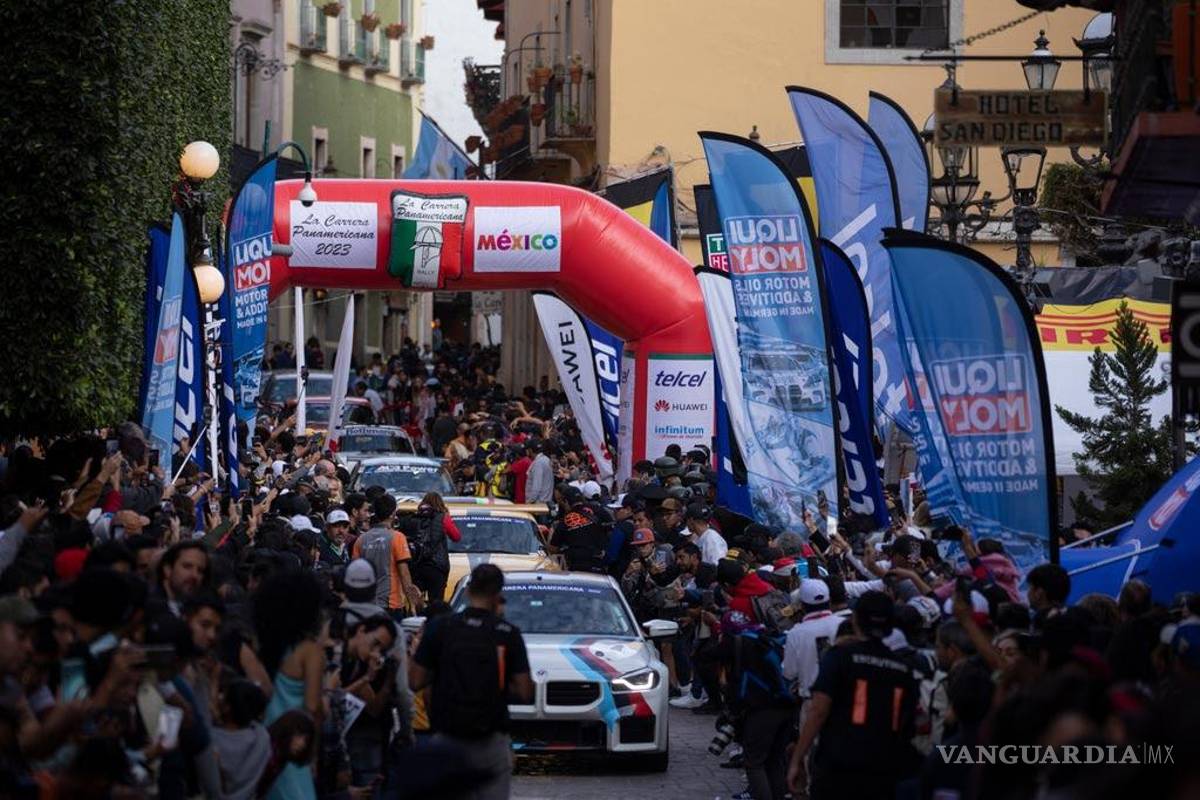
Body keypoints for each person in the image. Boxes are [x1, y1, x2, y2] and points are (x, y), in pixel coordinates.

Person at [409, 565, 533, 800]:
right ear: (498, 596)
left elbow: (415, 680)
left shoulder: (440, 628)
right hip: (491, 738)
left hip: (447, 737)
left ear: (467, 592)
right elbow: (525, 691)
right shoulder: (507, 633)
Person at [787, 591, 919, 799]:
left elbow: (819, 710)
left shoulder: (840, 656)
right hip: (883, 769)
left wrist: (797, 759)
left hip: (839, 764)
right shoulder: (903, 668)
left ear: (856, 620)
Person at [253, 570, 325, 800]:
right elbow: (312, 708)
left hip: (261, 745)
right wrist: (312, 756)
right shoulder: (309, 651)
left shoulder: (259, 646)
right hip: (294, 748)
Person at [352, 494, 423, 616]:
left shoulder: (361, 540)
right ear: (392, 514)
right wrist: (412, 603)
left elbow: (355, 573)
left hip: (367, 605)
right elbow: (404, 573)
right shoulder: (397, 538)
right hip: (391, 605)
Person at [401, 492, 462, 603]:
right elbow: (456, 537)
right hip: (437, 567)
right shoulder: (443, 518)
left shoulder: (413, 519)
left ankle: (417, 617)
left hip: (417, 566)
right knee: (436, 602)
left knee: (415, 600)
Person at [525, 441, 555, 506]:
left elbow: (536, 487)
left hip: (539, 505)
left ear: (530, 450)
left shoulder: (538, 463)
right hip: (546, 502)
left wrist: (529, 502)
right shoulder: (546, 459)